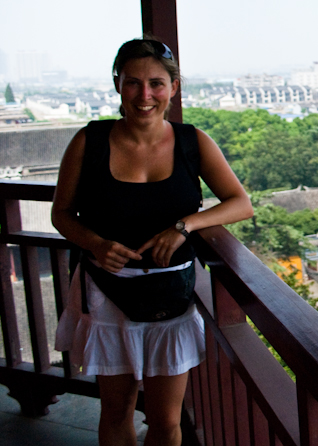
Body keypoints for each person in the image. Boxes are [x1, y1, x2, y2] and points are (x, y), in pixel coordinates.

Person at [52, 37, 253, 446]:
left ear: (173, 87)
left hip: (171, 291)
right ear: (118, 85)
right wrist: (95, 243)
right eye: (133, 82)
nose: (145, 95)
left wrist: (184, 226)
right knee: (116, 410)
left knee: (166, 419)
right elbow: (62, 213)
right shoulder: (89, 141)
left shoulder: (192, 142)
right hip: (106, 289)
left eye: (156, 84)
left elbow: (240, 203)